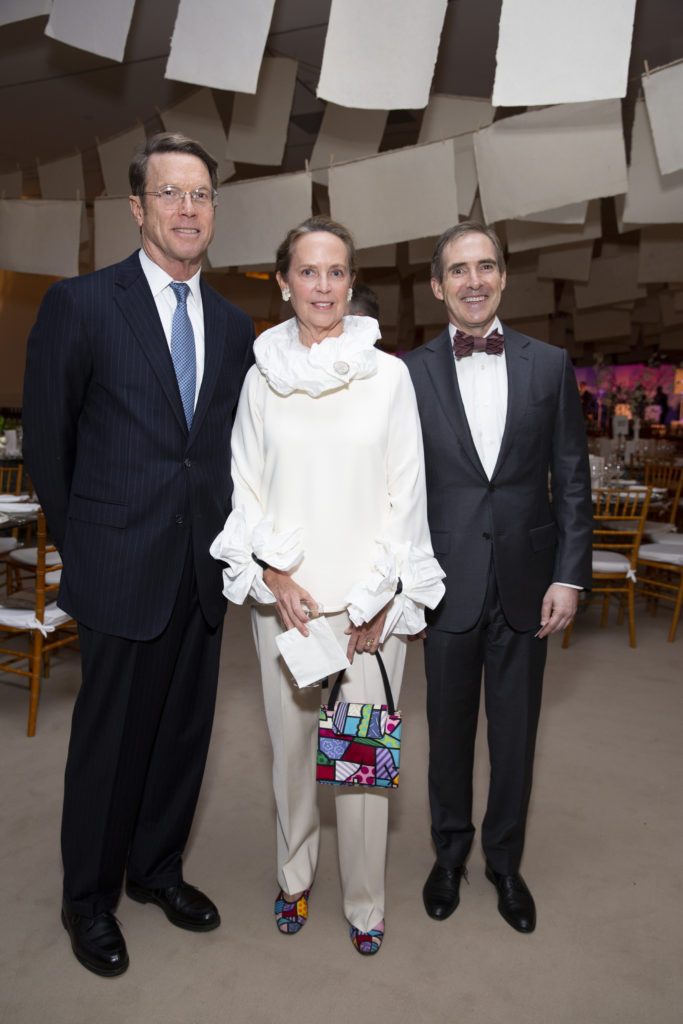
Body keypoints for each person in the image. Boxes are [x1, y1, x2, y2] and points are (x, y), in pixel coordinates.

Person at [22, 132, 255, 977]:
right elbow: (50, 444)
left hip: (202, 569)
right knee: (108, 742)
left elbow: (223, 449)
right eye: (170, 193)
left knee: (184, 735)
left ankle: (156, 870)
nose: (187, 208)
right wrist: (86, 548)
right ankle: (87, 897)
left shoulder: (234, 325)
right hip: (117, 564)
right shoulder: (80, 305)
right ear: (137, 208)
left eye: (200, 194)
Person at [210, 216, 444, 956]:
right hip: (286, 607)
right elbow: (243, 490)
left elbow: (406, 496)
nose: (321, 285)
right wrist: (272, 576)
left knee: (362, 767)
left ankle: (366, 904)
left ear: (351, 282)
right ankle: (293, 878)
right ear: (282, 282)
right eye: (306, 272)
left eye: (335, 271)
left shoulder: (389, 377)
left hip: (365, 613)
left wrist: (378, 599)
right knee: (290, 753)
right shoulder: (260, 379)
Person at [403, 222, 592, 934]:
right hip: (443, 584)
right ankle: (448, 855)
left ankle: (504, 865)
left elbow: (570, 477)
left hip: (527, 580)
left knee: (514, 735)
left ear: (503, 277)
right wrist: (403, 584)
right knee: (446, 732)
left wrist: (569, 575)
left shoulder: (549, 364)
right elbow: (401, 487)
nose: (473, 280)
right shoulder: (409, 370)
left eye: (485, 267)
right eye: (458, 270)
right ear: (436, 285)